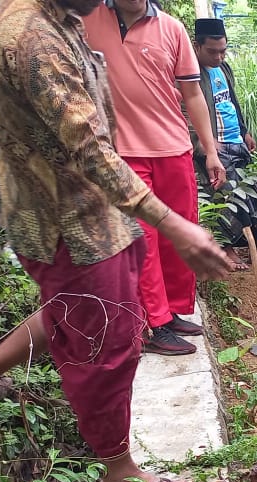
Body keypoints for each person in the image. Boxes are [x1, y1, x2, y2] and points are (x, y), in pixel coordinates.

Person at [0, 0, 229, 482]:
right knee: (105, 345)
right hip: (64, 219)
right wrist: (176, 225)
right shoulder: (30, 36)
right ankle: (119, 474)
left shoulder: (62, 20)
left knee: (78, 315)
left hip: (95, 210)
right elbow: (88, 146)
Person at [83, 0, 225, 356]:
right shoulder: (87, 17)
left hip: (173, 146)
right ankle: (154, 323)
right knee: (142, 239)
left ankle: (172, 311)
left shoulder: (172, 28)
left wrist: (209, 150)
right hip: (122, 152)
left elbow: (192, 93)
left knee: (177, 233)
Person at [192, 18, 257, 273]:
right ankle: (227, 249)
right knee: (224, 195)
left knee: (252, 193)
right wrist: (204, 144)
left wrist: (245, 131)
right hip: (215, 145)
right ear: (197, 46)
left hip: (236, 139)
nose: (219, 56)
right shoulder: (191, 73)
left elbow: (232, 102)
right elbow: (187, 112)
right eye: (212, 51)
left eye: (223, 50)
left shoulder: (224, 69)